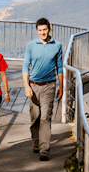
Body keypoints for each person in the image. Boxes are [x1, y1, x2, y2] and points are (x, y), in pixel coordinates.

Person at [22, 17, 63, 161]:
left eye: (45, 29)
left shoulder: (57, 45)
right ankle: (36, 142)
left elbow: (60, 67)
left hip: (49, 85)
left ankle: (44, 150)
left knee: (46, 117)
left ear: (49, 29)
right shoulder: (31, 45)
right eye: (40, 30)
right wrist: (26, 86)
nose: (43, 32)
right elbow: (25, 66)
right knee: (35, 117)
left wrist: (61, 86)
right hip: (33, 85)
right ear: (37, 31)